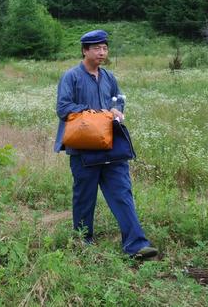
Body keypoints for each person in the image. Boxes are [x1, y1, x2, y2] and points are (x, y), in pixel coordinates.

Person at [54, 30, 158, 259]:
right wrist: (97, 113)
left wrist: (117, 110)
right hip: (83, 148)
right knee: (84, 196)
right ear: (85, 50)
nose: (102, 52)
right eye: (97, 48)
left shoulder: (109, 77)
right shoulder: (71, 77)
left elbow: (118, 99)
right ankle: (83, 242)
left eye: (105, 48)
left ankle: (136, 245)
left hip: (112, 147)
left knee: (122, 193)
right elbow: (63, 108)